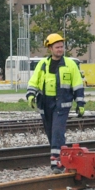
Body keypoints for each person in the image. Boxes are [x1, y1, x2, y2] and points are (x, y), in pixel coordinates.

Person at [26, 33, 86, 172]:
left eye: (61, 47)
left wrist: (80, 104)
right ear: (50, 49)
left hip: (62, 104)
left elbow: (78, 85)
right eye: (57, 47)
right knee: (51, 133)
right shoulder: (43, 64)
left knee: (57, 132)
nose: (60, 49)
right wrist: (30, 95)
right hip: (45, 104)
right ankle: (62, 157)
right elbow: (34, 81)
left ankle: (56, 162)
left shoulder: (70, 65)